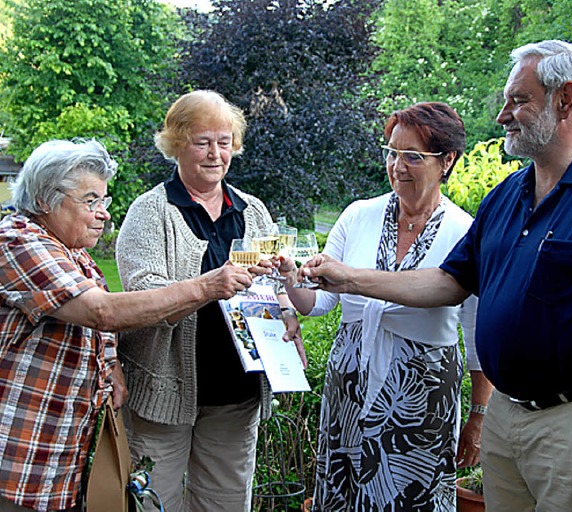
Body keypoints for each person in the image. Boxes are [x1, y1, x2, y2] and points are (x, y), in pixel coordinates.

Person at [300, 40, 572, 511]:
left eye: (518, 100)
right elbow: (449, 281)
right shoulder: (506, 196)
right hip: (508, 421)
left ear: (565, 100)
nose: (502, 115)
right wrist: (348, 279)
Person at [0, 139, 252, 511]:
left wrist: (112, 363)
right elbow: (101, 311)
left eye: (104, 201)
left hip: (57, 447)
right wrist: (206, 285)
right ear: (43, 200)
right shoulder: (18, 241)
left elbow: (94, 328)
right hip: (21, 448)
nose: (103, 214)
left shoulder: (72, 252)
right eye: (91, 201)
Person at [278, 102, 493, 510]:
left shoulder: (464, 231)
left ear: (448, 160)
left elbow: (477, 337)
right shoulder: (359, 215)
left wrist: (478, 417)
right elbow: (318, 303)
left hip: (421, 398)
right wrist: (292, 276)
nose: (397, 166)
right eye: (392, 152)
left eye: (413, 156)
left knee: (411, 499)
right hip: (351, 386)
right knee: (344, 495)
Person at [115, 90, 305, 512]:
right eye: (202, 142)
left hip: (236, 393)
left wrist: (286, 314)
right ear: (176, 143)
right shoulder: (151, 213)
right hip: (163, 392)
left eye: (224, 141)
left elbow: (271, 283)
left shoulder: (252, 210)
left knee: (225, 502)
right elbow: (142, 299)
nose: (216, 153)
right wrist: (207, 285)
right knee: (152, 503)